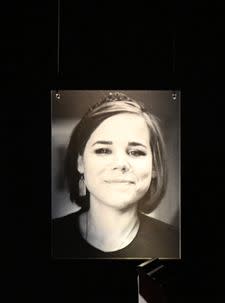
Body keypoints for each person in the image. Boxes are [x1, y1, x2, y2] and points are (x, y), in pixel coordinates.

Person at [51, 91, 179, 259]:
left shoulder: (175, 243)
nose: (120, 164)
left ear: (154, 166)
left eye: (136, 152)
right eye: (103, 150)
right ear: (80, 163)